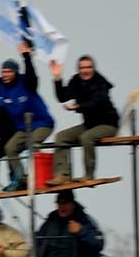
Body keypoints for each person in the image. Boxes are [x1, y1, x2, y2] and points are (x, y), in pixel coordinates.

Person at [0, 42, 56, 192]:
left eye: (9, 72)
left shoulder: (26, 82)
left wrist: (26, 56)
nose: (5, 75)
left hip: (42, 123)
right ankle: (22, 179)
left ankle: (42, 177)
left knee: (33, 145)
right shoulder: (1, 86)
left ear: (15, 72)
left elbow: (33, 76)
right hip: (23, 127)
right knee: (10, 148)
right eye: (3, 72)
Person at [50, 54, 120, 182]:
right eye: (82, 68)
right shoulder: (76, 81)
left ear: (93, 68)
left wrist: (78, 106)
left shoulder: (101, 83)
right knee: (61, 137)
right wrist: (57, 77)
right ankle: (62, 175)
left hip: (108, 124)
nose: (86, 70)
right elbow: (62, 97)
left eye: (89, 67)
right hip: (89, 125)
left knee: (86, 137)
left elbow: (97, 102)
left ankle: (88, 175)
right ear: (78, 69)